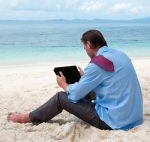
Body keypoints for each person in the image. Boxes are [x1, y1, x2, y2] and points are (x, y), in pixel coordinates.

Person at [7, 29, 143, 130]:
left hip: (114, 121)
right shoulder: (120, 54)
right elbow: (110, 79)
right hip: (133, 116)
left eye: (84, 47)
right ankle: (79, 85)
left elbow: (75, 95)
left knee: (61, 97)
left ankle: (27, 118)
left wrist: (64, 85)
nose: (85, 50)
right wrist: (85, 79)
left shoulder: (97, 63)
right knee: (84, 88)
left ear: (89, 44)